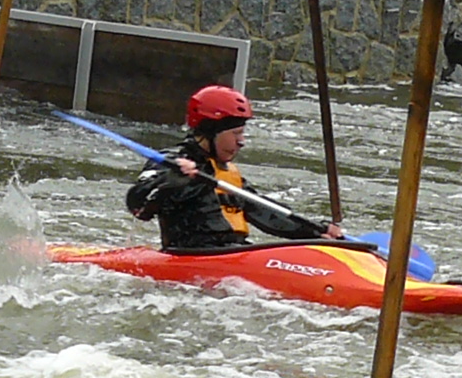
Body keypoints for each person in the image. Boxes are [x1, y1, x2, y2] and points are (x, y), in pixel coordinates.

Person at [127, 85, 344, 254]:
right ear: (210, 131)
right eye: (236, 133)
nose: (242, 142)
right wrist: (174, 178)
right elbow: (138, 204)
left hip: (233, 252)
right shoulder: (172, 162)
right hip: (191, 255)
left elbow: (267, 214)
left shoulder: (228, 173)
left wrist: (316, 232)